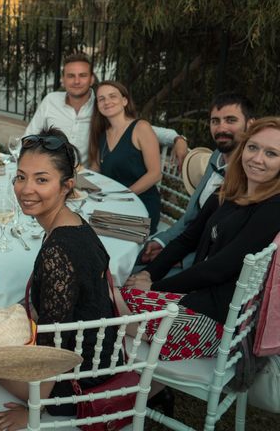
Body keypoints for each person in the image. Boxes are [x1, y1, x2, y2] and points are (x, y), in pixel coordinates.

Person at [0, 129, 117, 431]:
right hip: (95, 356)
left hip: (71, 383)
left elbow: (52, 351)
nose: (26, 189)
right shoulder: (76, 224)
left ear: (67, 186)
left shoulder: (59, 253)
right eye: (21, 177)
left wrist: (34, 411)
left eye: (42, 180)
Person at [120, 117, 280, 360]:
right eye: (253, 147)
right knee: (109, 293)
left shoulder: (273, 208)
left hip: (216, 323)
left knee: (106, 303)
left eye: (271, 153)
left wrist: (154, 288)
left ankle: (106, 380)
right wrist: (150, 273)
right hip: (196, 300)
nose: (257, 159)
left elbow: (220, 268)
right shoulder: (228, 192)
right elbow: (188, 238)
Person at [141, 92, 255, 267]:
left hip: (203, 267)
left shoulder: (253, 175)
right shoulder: (215, 157)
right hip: (184, 246)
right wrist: (163, 242)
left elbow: (230, 248)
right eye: (215, 121)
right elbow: (192, 217)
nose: (221, 128)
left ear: (250, 124)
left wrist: (178, 261)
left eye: (231, 120)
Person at [24, 53, 188, 166]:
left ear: (91, 79)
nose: (76, 81)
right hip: (48, 173)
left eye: (82, 75)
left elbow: (136, 128)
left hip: (84, 180)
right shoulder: (50, 100)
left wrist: (176, 138)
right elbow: (29, 138)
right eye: (71, 76)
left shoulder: (102, 106)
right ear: (63, 79)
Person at [88, 81, 162, 233]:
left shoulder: (141, 128)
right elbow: (95, 169)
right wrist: (75, 181)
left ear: (124, 101)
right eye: (101, 99)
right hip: (111, 203)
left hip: (141, 205)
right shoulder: (102, 133)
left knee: (91, 228)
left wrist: (123, 196)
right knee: (75, 217)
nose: (107, 102)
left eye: (112, 96)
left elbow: (155, 174)